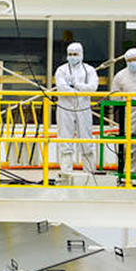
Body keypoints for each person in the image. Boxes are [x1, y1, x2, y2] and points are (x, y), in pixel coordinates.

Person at [54, 42, 98, 173]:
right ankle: (66, 171)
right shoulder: (61, 70)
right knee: (65, 139)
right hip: (64, 108)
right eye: (70, 54)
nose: (72, 57)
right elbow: (61, 88)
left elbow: (93, 88)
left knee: (86, 139)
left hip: (83, 108)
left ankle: (89, 171)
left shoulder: (89, 70)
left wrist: (77, 85)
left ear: (81, 55)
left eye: (75, 54)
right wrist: (81, 89)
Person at [109, 48, 136, 177]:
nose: (133, 62)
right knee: (130, 144)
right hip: (130, 112)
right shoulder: (121, 76)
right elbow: (114, 96)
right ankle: (129, 174)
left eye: (135, 59)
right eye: (130, 60)